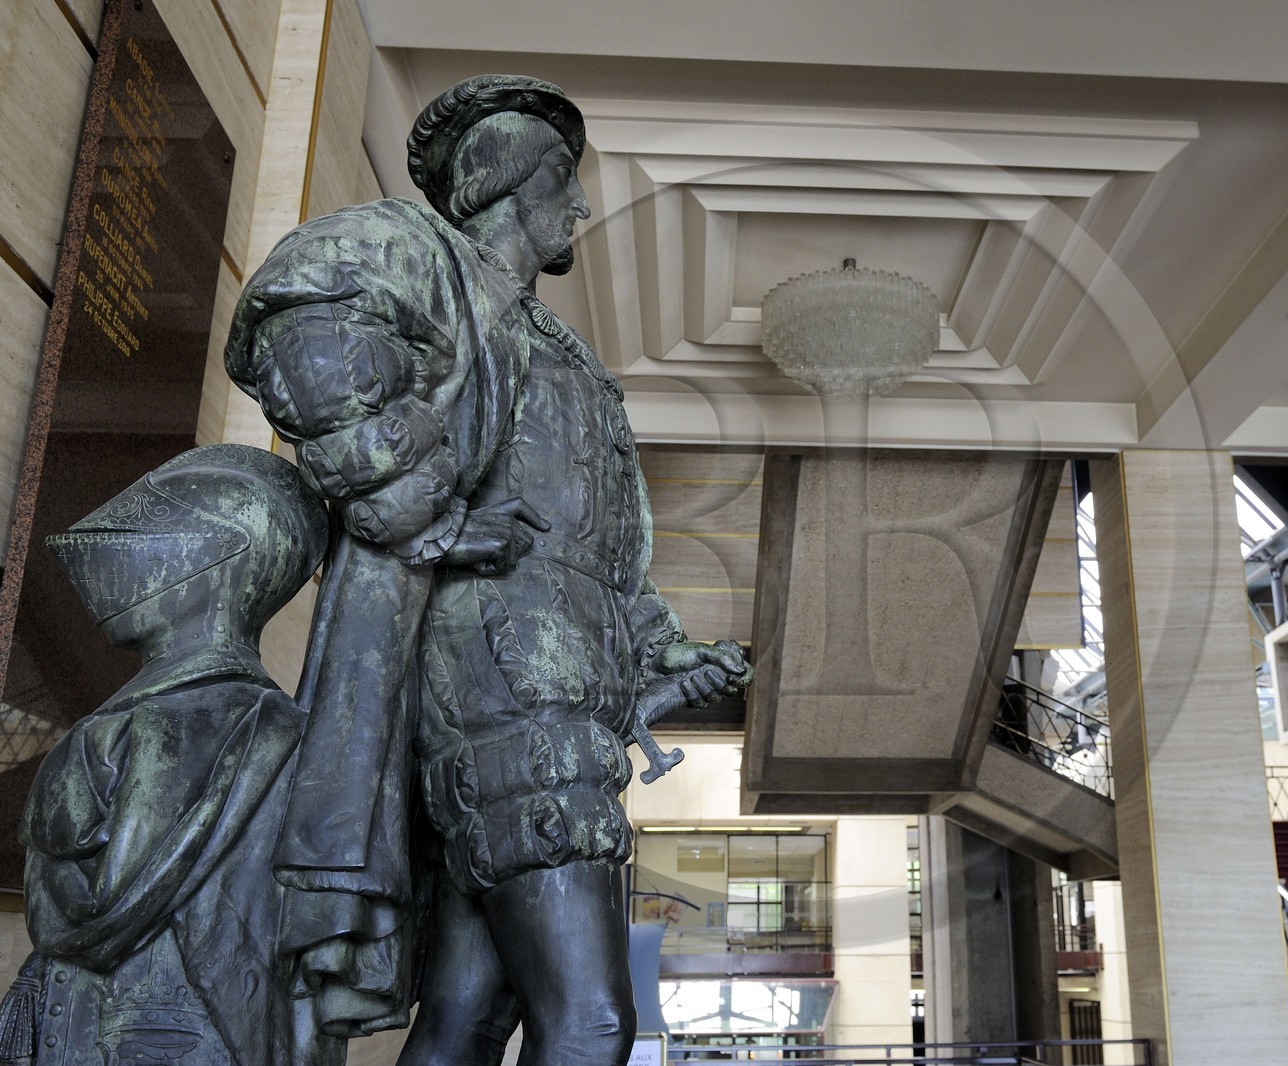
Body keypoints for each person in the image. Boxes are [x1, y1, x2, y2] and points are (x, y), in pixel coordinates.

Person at [225, 75, 750, 1063]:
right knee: (592, 1018)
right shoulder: (418, 259)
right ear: (504, 180)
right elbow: (304, 332)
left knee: (473, 1015)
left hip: (559, 693)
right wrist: (424, 507)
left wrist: (659, 646)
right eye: (566, 179)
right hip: (505, 681)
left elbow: (601, 544)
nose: (582, 207)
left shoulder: (566, 349)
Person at [0, 445, 340, 1066]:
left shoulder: (273, 737)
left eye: (150, 536)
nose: (111, 564)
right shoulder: (293, 737)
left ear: (219, 560)